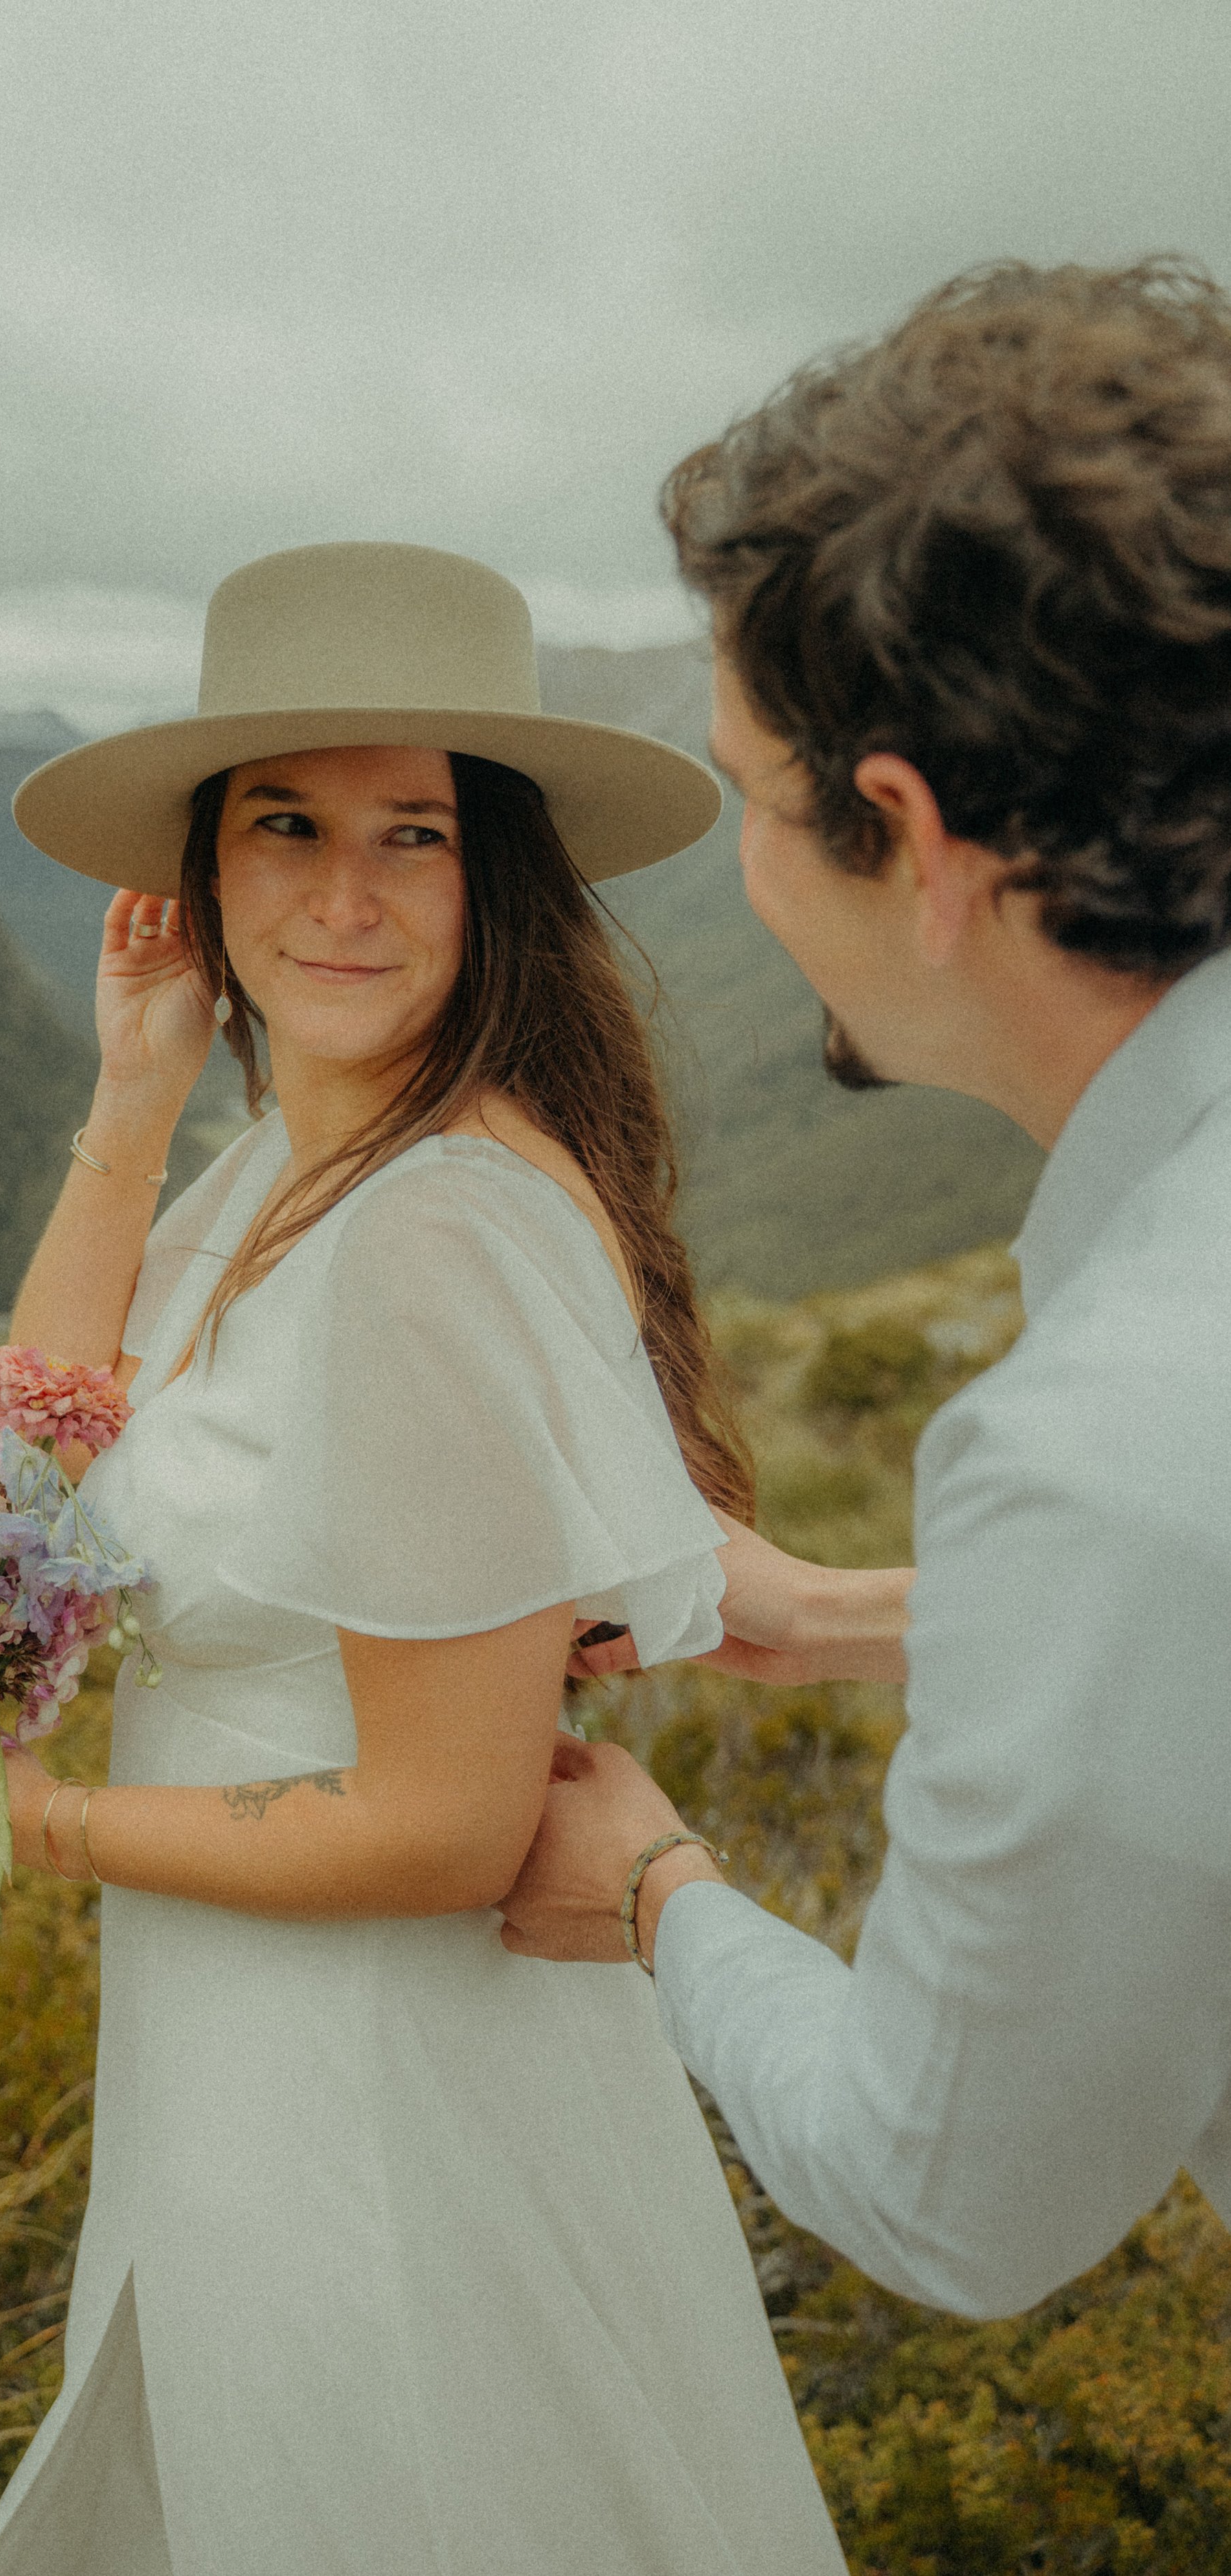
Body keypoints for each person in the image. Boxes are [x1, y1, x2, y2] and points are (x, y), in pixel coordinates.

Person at [0, 541, 850, 2574]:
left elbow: (437, 1826)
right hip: (258, 2020)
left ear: (489, 873)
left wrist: (16, 1816)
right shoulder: (297, 1167)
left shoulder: (417, 1234)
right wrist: (135, 1095)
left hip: (372, 2056)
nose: (343, 893)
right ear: (204, 878)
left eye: (411, 834)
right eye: (286, 827)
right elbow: (44, 1445)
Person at [501, 260, 1231, 2322]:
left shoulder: (1110, 1450)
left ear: (901, 831)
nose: (740, 856)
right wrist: (850, 1621)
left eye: (745, 790)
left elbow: (948, 2198)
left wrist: (653, 1891)